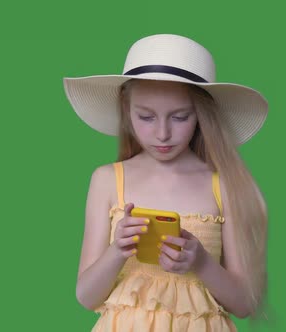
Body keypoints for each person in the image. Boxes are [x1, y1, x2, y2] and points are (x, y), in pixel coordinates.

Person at [63, 34, 269, 331]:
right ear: (126, 109)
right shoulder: (107, 180)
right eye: (146, 117)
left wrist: (201, 263)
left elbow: (243, 304)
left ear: (201, 115)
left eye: (180, 117)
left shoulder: (223, 185)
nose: (162, 134)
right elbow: (86, 296)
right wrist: (117, 252)